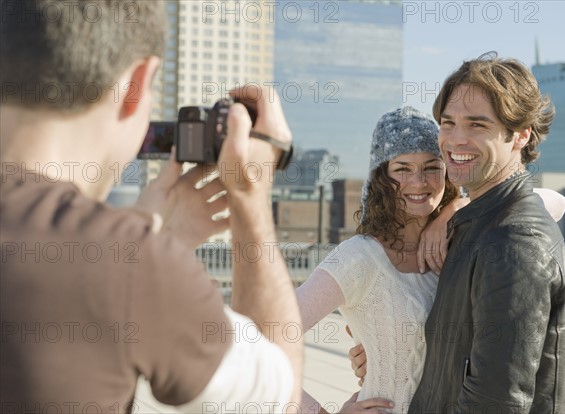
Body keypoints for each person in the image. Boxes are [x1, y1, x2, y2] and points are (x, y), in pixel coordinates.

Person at [1, 1, 302, 411]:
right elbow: (276, 399)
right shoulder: (129, 264)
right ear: (136, 84)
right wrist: (249, 198)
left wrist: (148, 230)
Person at [407, 53, 565, 413]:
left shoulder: (514, 240)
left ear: (520, 135)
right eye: (448, 122)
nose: (455, 140)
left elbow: (495, 401)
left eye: (478, 125)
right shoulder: (482, 223)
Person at [296, 106, 463, 414]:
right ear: (381, 177)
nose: (419, 182)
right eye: (402, 169)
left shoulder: (458, 245)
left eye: (431, 167)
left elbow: (545, 204)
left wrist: (456, 208)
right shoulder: (359, 257)